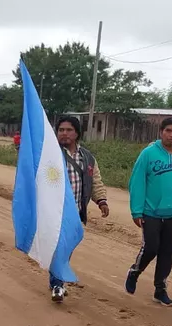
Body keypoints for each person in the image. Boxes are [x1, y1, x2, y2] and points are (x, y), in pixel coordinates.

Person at [124, 117, 172, 307]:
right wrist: (137, 211)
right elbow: (137, 183)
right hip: (151, 213)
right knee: (151, 248)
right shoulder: (148, 154)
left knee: (167, 252)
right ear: (161, 132)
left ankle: (160, 289)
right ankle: (135, 272)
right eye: (168, 131)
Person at [50, 116, 109, 303]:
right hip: (54, 212)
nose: (64, 133)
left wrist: (101, 201)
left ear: (77, 133)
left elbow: (95, 181)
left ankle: (57, 281)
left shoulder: (87, 158)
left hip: (75, 212)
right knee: (58, 248)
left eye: (69, 130)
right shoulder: (50, 155)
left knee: (66, 249)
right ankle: (57, 285)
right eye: (61, 130)